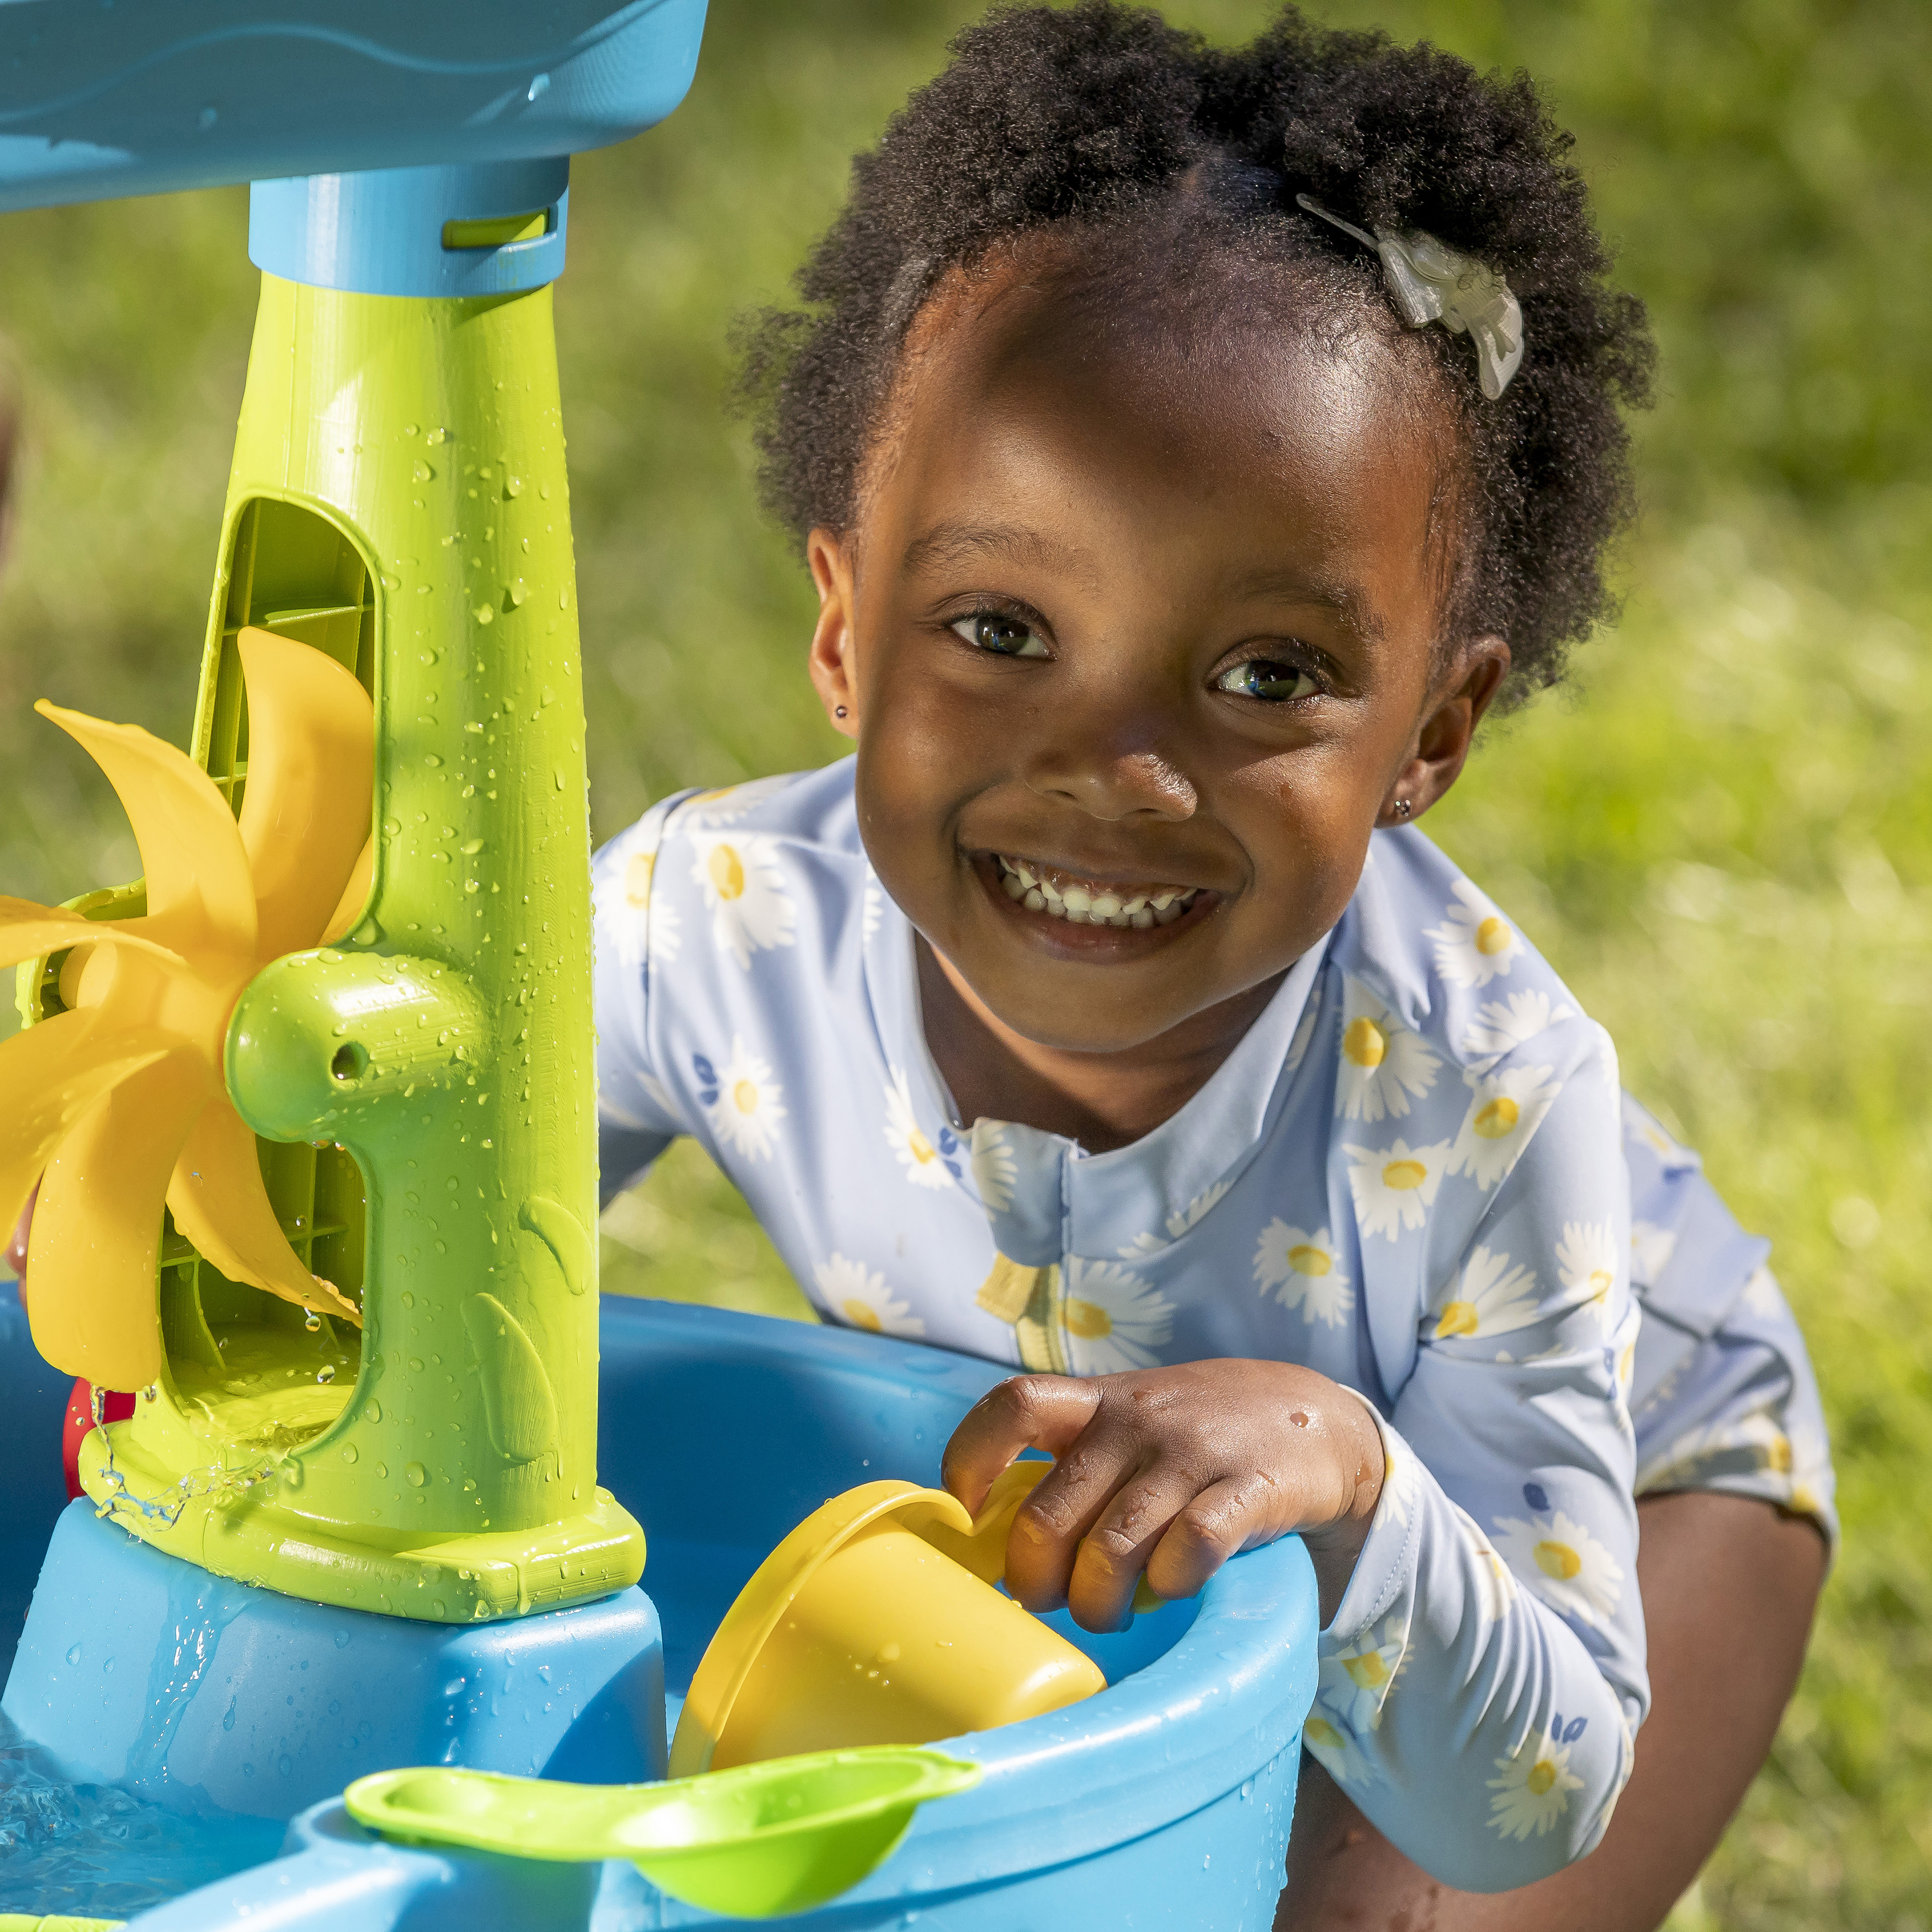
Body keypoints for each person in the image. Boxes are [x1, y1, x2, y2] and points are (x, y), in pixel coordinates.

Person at [590, 6, 1832, 1922]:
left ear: (1433, 726)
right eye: (1000, 625)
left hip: (1625, 1508)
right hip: (1159, 1528)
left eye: (1265, 675)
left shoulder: (1488, 1096)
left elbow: (1537, 1784)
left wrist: (1347, 1482)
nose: (1116, 770)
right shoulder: (714, 925)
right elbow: (437, 1258)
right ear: (843, 629)